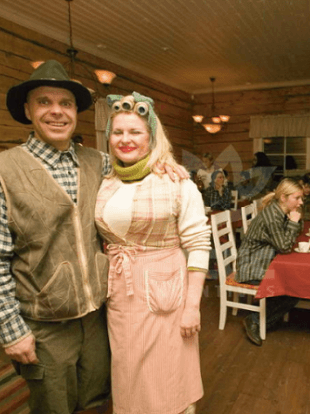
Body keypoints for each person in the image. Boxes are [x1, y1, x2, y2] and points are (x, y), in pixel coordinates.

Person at [0, 60, 112, 413]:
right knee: (54, 406)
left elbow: (142, 172)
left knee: (96, 398)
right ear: (28, 110)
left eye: (66, 103)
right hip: (45, 324)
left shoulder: (100, 163)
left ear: (76, 112)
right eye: (44, 102)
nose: (57, 111)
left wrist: (167, 166)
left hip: (97, 319)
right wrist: (10, 329)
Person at [95, 92, 211, 413]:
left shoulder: (177, 182)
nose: (125, 139)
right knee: (129, 370)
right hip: (121, 290)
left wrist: (192, 306)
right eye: (118, 132)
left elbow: (199, 244)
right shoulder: (106, 179)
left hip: (167, 293)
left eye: (135, 132)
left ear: (152, 137)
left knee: (168, 371)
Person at [236, 178, 304, 346]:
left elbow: (291, 237)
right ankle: (255, 320)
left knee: (293, 283)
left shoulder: (280, 210)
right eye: (297, 198)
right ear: (283, 198)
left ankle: (265, 316)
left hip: (264, 259)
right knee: (293, 286)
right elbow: (285, 247)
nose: (301, 202)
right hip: (251, 266)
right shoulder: (273, 216)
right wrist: (294, 222)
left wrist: (295, 220)